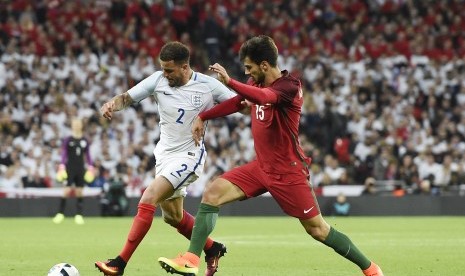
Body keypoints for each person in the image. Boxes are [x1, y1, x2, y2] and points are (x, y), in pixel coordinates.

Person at [158, 35, 384, 276]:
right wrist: (204, 117)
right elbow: (238, 103)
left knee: (318, 230)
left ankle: (371, 269)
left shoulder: (290, 87)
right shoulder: (256, 83)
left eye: (249, 67)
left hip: (288, 171)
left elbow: (265, 98)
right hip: (261, 168)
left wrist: (231, 80)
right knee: (212, 193)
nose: (248, 72)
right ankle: (192, 259)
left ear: (264, 65)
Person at [95, 41, 239, 276]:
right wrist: (112, 104)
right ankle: (213, 249)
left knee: (148, 197)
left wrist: (214, 106)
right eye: (162, 68)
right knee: (173, 217)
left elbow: (240, 106)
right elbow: (127, 98)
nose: (165, 74)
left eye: (169, 70)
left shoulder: (208, 86)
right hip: (164, 154)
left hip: (189, 154)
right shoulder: (157, 80)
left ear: (185, 67)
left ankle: (119, 263)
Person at [52, 117, 94, 225]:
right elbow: (64, 153)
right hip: (69, 168)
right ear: (72, 126)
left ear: (81, 126)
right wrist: (61, 165)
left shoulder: (84, 140)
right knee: (66, 191)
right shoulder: (68, 139)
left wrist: (90, 166)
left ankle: (79, 215)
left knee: (79, 192)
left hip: (80, 168)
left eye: (78, 124)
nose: (76, 126)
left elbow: (88, 155)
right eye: (74, 124)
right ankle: (60, 214)